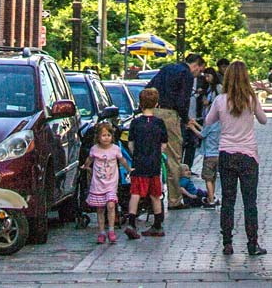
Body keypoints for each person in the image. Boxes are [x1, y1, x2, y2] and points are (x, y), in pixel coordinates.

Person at [205, 60, 270, 257]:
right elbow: (264, 120)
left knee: (228, 200)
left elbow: (208, 121)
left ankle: (227, 243)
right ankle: (252, 244)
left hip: (226, 153)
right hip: (248, 154)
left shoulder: (220, 100)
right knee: (250, 202)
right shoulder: (251, 99)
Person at [152, 52, 203, 209]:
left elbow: (149, 88)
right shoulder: (186, 74)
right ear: (195, 65)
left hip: (153, 112)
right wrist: (186, 119)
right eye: (199, 71)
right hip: (169, 115)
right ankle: (174, 200)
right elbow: (182, 101)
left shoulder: (166, 68)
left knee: (152, 156)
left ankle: (150, 199)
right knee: (173, 157)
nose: (198, 75)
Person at [125, 87, 169, 237]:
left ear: (140, 104)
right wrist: (156, 153)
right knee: (155, 194)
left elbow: (131, 144)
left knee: (135, 193)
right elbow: (164, 144)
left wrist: (136, 154)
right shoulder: (159, 123)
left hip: (139, 163)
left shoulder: (135, 123)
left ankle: (131, 222)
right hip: (154, 164)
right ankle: (157, 224)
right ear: (157, 104)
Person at [85, 120, 130, 244]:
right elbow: (89, 159)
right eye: (103, 135)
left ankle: (111, 230)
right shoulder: (95, 149)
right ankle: (101, 232)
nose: (106, 138)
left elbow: (122, 160)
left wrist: (129, 169)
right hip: (98, 183)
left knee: (111, 205)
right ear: (98, 137)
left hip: (111, 183)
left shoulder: (115, 149)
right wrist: (86, 166)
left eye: (108, 135)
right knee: (100, 209)